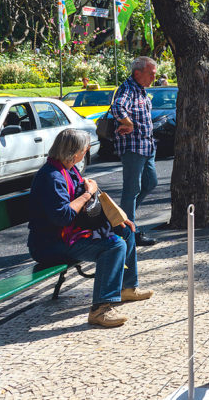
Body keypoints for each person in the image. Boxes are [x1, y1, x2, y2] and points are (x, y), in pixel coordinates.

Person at [28, 129, 153, 328]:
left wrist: (116, 217)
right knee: (113, 246)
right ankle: (100, 310)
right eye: (84, 149)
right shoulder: (52, 177)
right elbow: (63, 217)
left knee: (126, 231)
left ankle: (127, 287)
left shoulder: (67, 169)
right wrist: (88, 194)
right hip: (50, 244)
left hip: (69, 235)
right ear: (73, 152)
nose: (86, 152)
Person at [110, 56, 159, 247]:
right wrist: (127, 123)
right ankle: (128, 232)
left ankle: (121, 220)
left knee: (150, 183)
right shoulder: (128, 88)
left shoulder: (140, 89)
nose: (154, 78)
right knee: (132, 189)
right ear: (137, 73)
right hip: (133, 147)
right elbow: (118, 107)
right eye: (151, 74)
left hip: (147, 146)